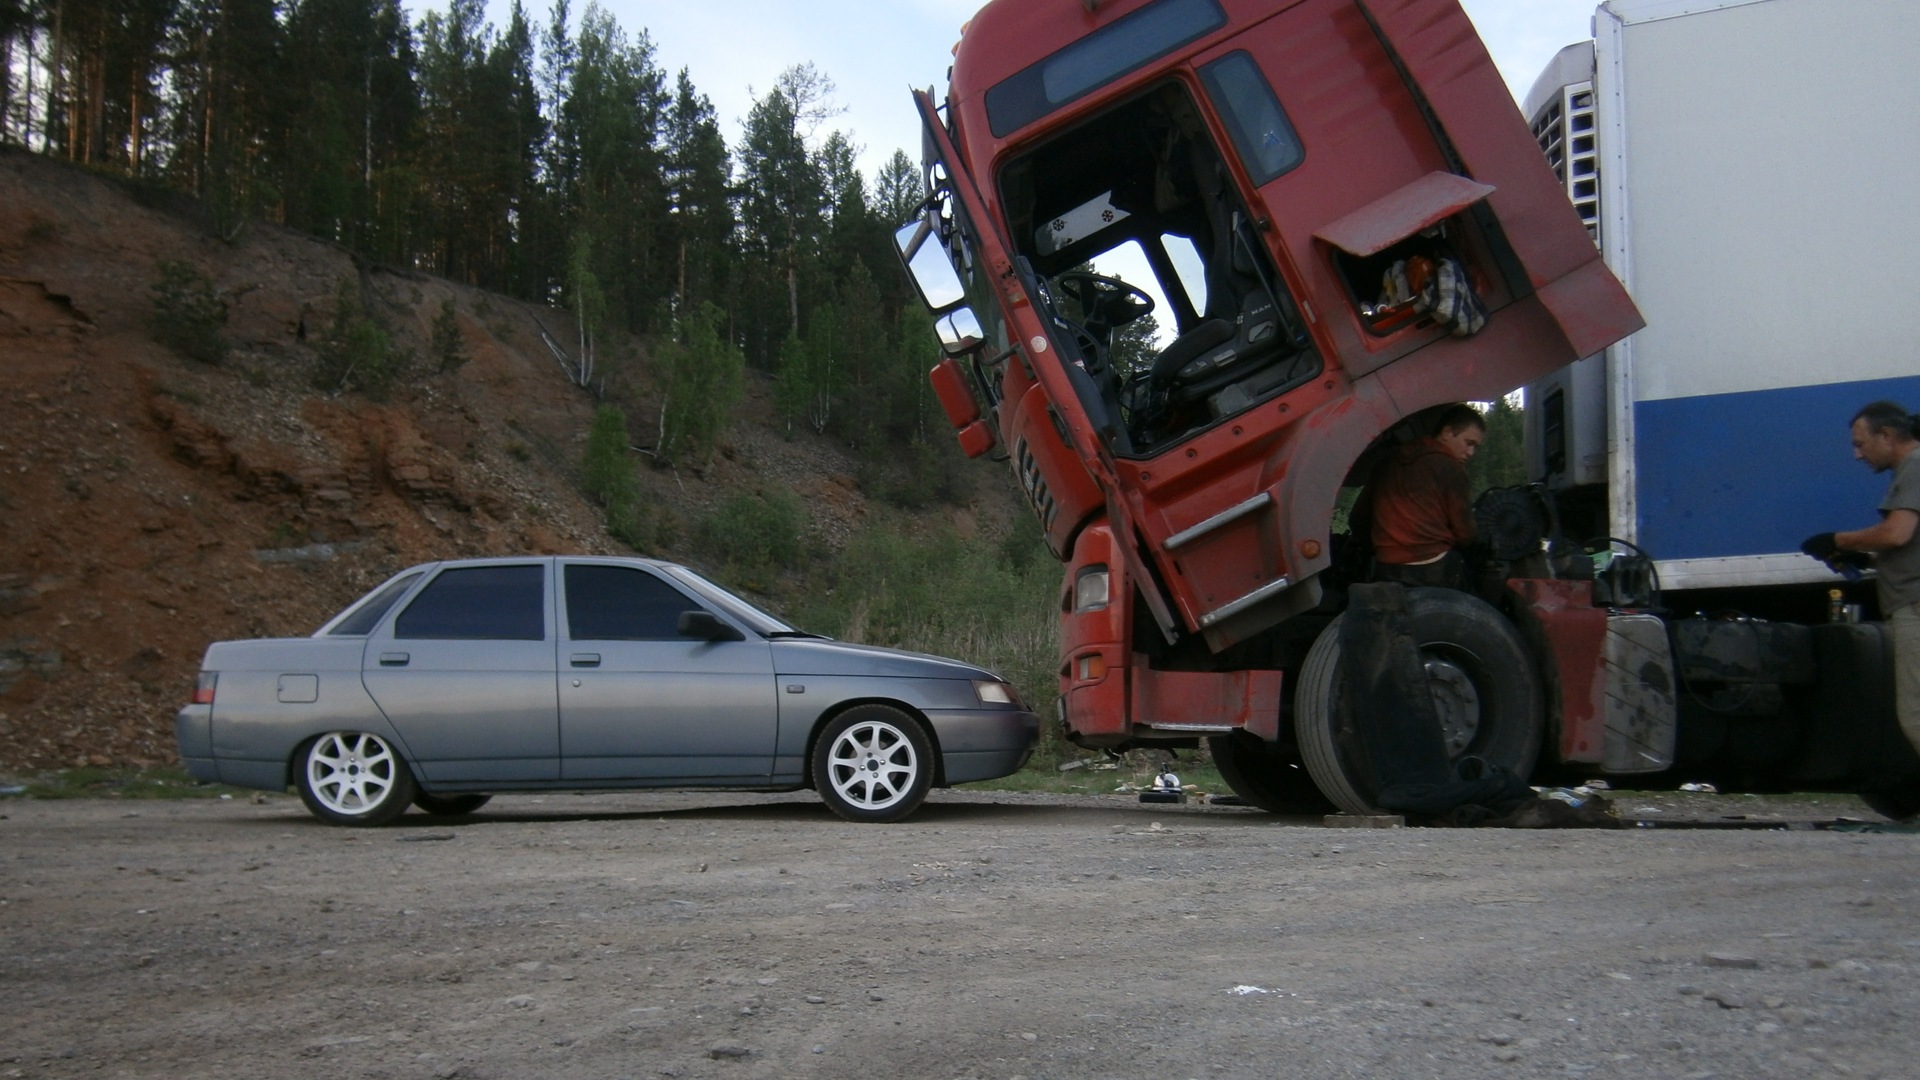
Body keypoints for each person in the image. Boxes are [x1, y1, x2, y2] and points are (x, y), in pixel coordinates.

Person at [1801, 400, 1920, 753]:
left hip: (1915, 605)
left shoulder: (1914, 464)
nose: (1857, 455)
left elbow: (1896, 533)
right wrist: (1862, 555)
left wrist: (1836, 540)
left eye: (1860, 443)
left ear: (1886, 436)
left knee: (1916, 713)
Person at [1366, 404, 1485, 590]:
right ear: (1446, 432)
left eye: (1475, 447)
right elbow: (1465, 533)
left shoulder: (1387, 463)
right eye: (1468, 443)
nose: (1470, 453)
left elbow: (1359, 518)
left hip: (1385, 565)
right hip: (1431, 566)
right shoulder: (1450, 468)